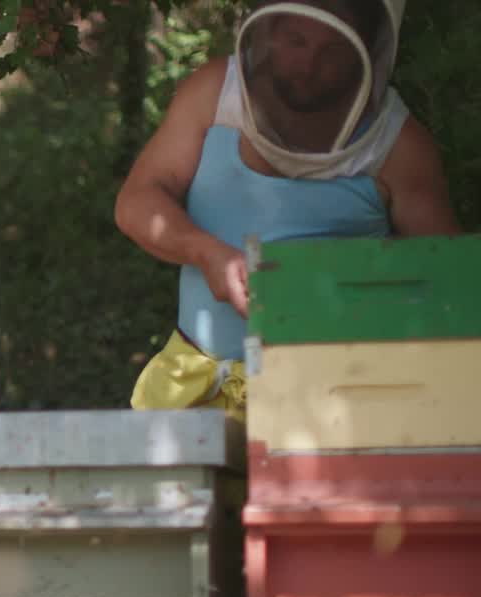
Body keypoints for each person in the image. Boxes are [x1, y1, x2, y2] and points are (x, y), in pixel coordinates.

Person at [115, 0, 461, 422]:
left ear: (367, 48)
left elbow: (446, 288)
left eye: (331, 48)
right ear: (269, 29)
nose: (308, 63)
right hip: (195, 390)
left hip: (334, 404)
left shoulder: (400, 145)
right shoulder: (212, 93)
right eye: (296, 39)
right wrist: (203, 251)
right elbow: (138, 201)